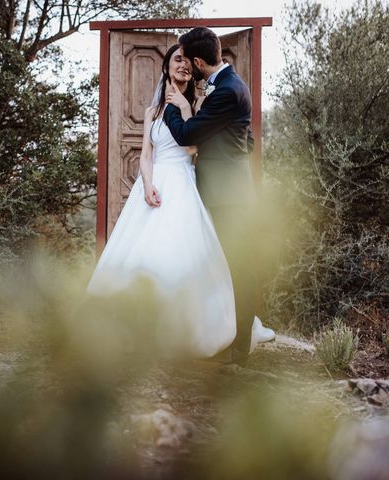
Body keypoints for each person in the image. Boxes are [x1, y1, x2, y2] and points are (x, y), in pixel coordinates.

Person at [87, 43, 274, 361]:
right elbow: (147, 155)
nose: (183, 65)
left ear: (196, 67)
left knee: (185, 257)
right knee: (144, 256)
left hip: (186, 185)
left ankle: (186, 331)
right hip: (155, 186)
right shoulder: (152, 112)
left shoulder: (202, 104)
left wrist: (187, 111)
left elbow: (195, 149)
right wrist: (146, 184)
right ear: (166, 67)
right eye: (177, 60)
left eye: (188, 61)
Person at [162, 27, 270, 365]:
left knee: (238, 268)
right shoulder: (228, 86)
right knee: (223, 266)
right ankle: (225, 339)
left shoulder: (227, 91)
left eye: (188, 63)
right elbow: (246, 142)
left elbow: (186, 134)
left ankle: (238, 348)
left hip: (229, 197)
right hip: (224, 192)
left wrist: (174, 105)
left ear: (197, 61)